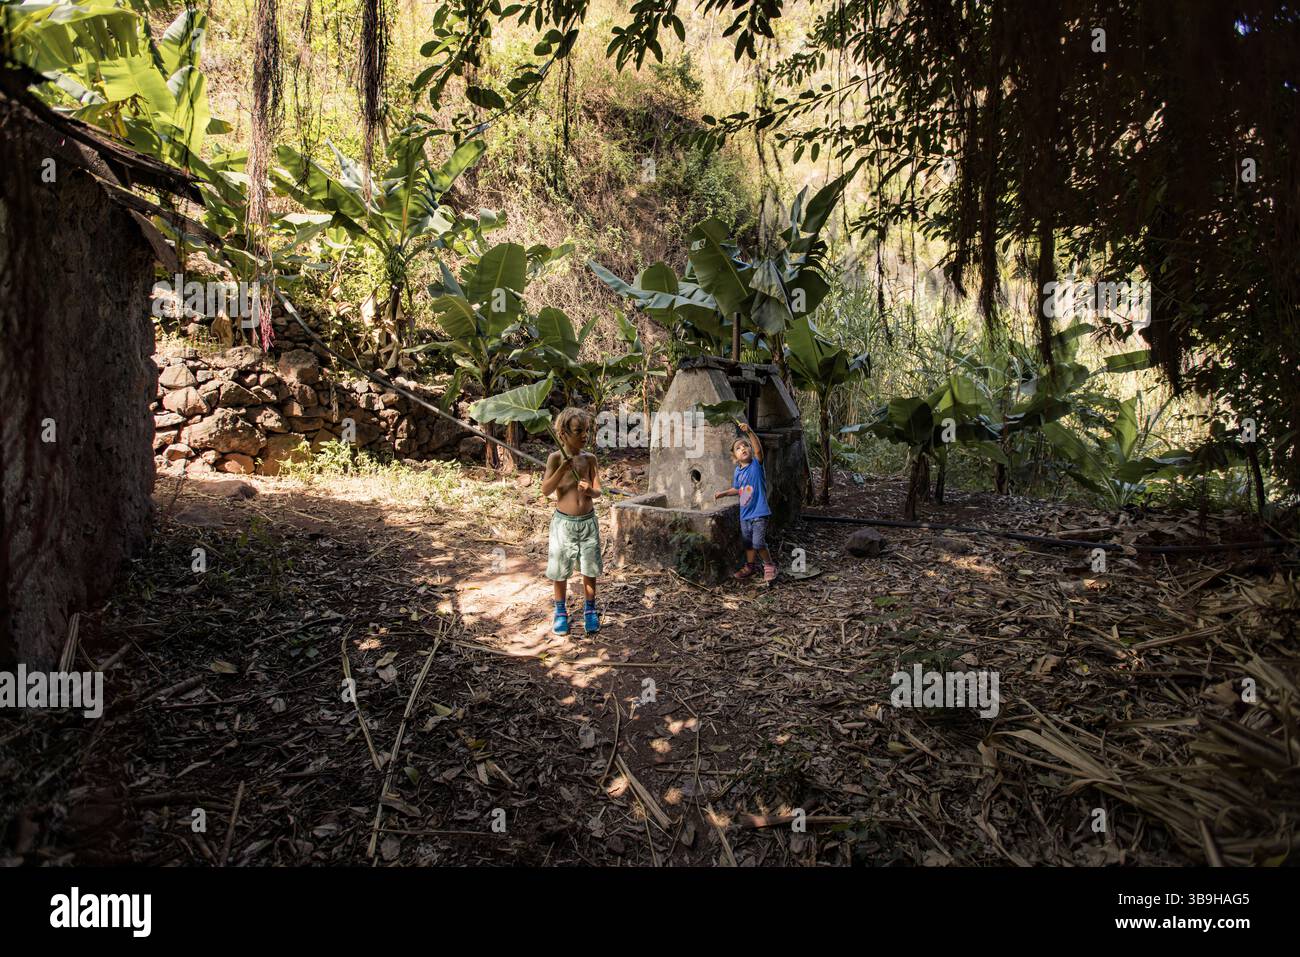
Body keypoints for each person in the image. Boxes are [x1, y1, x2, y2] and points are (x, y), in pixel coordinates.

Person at [540, 407, 603, 634]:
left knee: (590, 568)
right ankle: (560, 612)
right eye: (579, 431)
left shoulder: (590, 459)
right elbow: (545, 490)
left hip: (588, 522)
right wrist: (562, 470)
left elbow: (598, 492)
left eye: (587, 430)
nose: (585, 436)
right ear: (564, 434)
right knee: (560, 570)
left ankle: (589, 610)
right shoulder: (555, 458)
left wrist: (590, 491)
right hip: (564, 524)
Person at [714, 420, 777, 583]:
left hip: (759, 512)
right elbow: (738, 489)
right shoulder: (737, 471)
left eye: (745, 446)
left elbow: (758, 450)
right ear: (734, 457)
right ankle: (750, 566)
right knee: (748, 542)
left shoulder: (756, 465)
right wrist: (723, 493)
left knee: (758, 542)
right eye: (739, 448)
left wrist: (749, 432)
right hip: (745, 514)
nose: (743, 448)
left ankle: (769, 565)